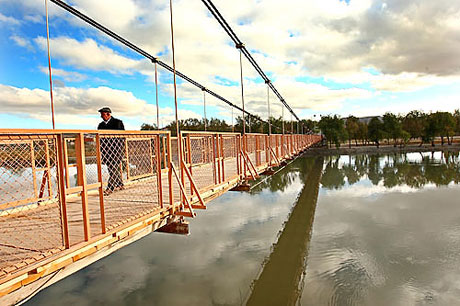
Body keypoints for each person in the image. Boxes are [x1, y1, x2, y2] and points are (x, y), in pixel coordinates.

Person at [97, 107, 125, 195]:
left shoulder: (118, 122)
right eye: (101, 114)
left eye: (103, 114)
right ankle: (120, 184)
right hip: (106, 151)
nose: (101, 116)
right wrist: (102, 151)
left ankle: (110, 188)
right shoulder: (100, 125)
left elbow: (122, 137)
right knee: (112, 169)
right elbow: (100, 140)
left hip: (116, 150)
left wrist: (120, 149)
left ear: (108, 114)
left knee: (113, 169)